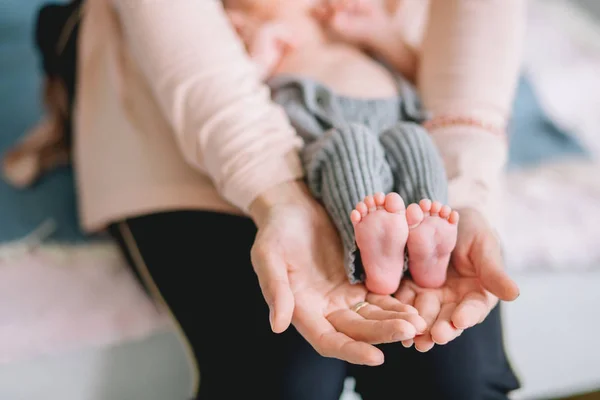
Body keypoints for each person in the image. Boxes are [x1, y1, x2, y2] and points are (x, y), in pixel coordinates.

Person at [70, 0, 524, 399]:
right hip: (214, 95)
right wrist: (276, 191)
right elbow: (209, 73)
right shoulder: (245, 28)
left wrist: (464, 188)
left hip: (402, 120)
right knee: (282, 380)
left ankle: (420, 238)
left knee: (456, 383)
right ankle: (371, 249)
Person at [224, 0, 459, 295]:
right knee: (349, 144)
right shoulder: (242, 18)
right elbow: (227, 95)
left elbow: (422, 76)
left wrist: (379, 33)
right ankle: (370, 249)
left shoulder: (339, 9)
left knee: (415, 140)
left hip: (395, 116)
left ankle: (427, 234)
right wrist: (257, 62)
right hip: (321, 125)